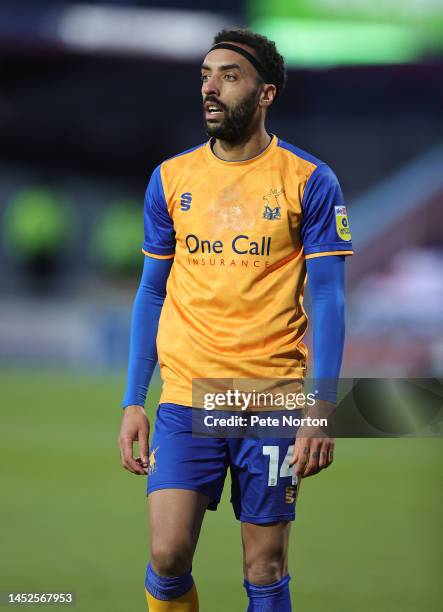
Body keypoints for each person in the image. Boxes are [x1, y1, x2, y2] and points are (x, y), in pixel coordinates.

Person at [119, 28, 353, 612]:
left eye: (229, 76)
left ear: (266, 93)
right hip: (186, 394)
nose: (211, 88)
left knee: (264, 566)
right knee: (168, 556)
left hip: (269, 396)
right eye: (205, 75)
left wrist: (320, 408)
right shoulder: (171, 179)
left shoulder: (309, 180)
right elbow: (152, 292)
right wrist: (132, 400)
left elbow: (328, 299)